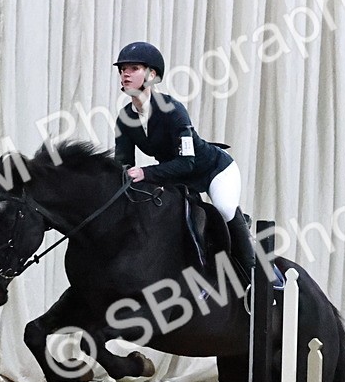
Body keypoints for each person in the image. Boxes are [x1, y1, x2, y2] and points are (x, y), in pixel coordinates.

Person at [111, 41, 259, 290]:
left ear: (152, 75)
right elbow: (123, 163)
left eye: (133, 68)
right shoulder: (125, 117)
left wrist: (145, 173)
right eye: (122, 69)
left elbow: (187, 162)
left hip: (213, 170)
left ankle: (252, 276)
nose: (125, 73)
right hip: (176, 175)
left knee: (223, 208)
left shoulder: (173, 111)